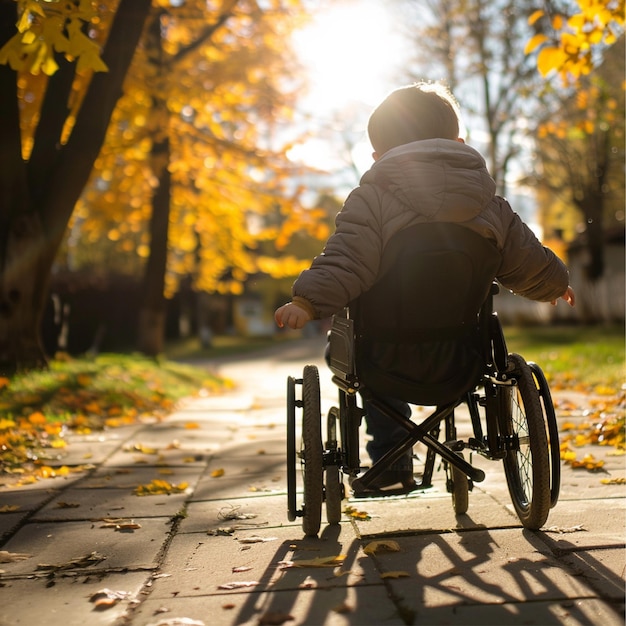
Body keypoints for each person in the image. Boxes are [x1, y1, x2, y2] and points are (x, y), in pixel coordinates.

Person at [275, 81, 575, 489]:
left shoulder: (371, 200)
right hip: (464, 355)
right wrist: (553, 284)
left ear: (379, 156)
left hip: (383, 353)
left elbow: (347, 260)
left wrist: (307, 302)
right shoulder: (489, 204)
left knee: (349, 356)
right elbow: (526, 258)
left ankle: (392, 459)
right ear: (459, 142)